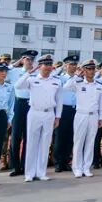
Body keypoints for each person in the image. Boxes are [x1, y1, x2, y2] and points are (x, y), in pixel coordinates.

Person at [14, 54, 63, 182]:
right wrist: (28, 72)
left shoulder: (56, 81)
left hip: (49, 114)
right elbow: (18, 86)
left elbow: (59, 100)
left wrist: (58, 117)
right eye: (45, 65)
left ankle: (41, 172)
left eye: (49, 65)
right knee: (31, 143)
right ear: (39, 66)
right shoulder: (31, 79)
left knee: (45, 143)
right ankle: (29, 173)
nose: (47, 67)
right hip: (35, 112)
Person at [70, 59, 102, 177]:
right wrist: (76, 75)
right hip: (81, 114)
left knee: (90, 142)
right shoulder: (78, 83)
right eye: (89, 69)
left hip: (93, 115)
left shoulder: (99, 85)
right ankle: (77, 167)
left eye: (93, 69)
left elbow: (101, 103)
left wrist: (101, 117)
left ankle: (86, 167)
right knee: (79, 142)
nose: (91, 71)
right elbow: (66, 86)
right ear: (84, 70)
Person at [6, 50, 37, 176]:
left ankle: (26, 166)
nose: (30, 61)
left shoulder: (37, 73)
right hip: (18, 105)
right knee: (16, 137)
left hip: (32, 105)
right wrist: (17, 62)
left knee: (29, 137)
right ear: (23, 59)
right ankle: (15, 167)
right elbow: (4, 70)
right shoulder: (15, 72)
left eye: (32, 59)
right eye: (27, 59)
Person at [52, 54, 79, 172]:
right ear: (66, 66)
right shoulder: (60, 78)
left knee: (70, 137)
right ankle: (58, 162)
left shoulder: (79, 79)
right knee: (60, 137)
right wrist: (59, 68)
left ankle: (66, 161)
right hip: (62, 109)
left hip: (74, 109)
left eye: (75, 64)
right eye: (71, 64)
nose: (73, 67)